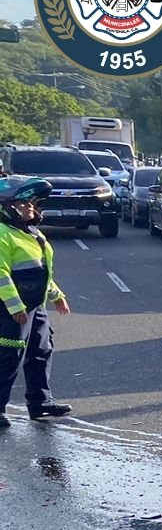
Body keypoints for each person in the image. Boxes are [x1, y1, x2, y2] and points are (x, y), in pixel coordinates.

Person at [0, 176, 72, 427]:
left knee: (40, 352)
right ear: (7, 207)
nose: (31, 208)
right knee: (9, 356)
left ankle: (40, 402)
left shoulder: (31, 233)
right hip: (13, 309)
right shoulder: (3, 234)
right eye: (24, 204)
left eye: (32, 204)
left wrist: (57, 296)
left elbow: (41, 272)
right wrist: (15, 307)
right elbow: (1, 273)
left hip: (35, 306)